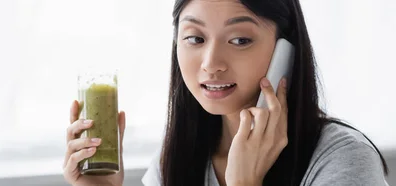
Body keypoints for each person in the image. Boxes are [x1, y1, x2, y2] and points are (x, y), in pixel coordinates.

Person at [62, 0, 390, 185]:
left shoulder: (344, 160)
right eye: (195, 38)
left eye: (239, 40)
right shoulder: (177, 159)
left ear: (284, 51)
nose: (211, 64)